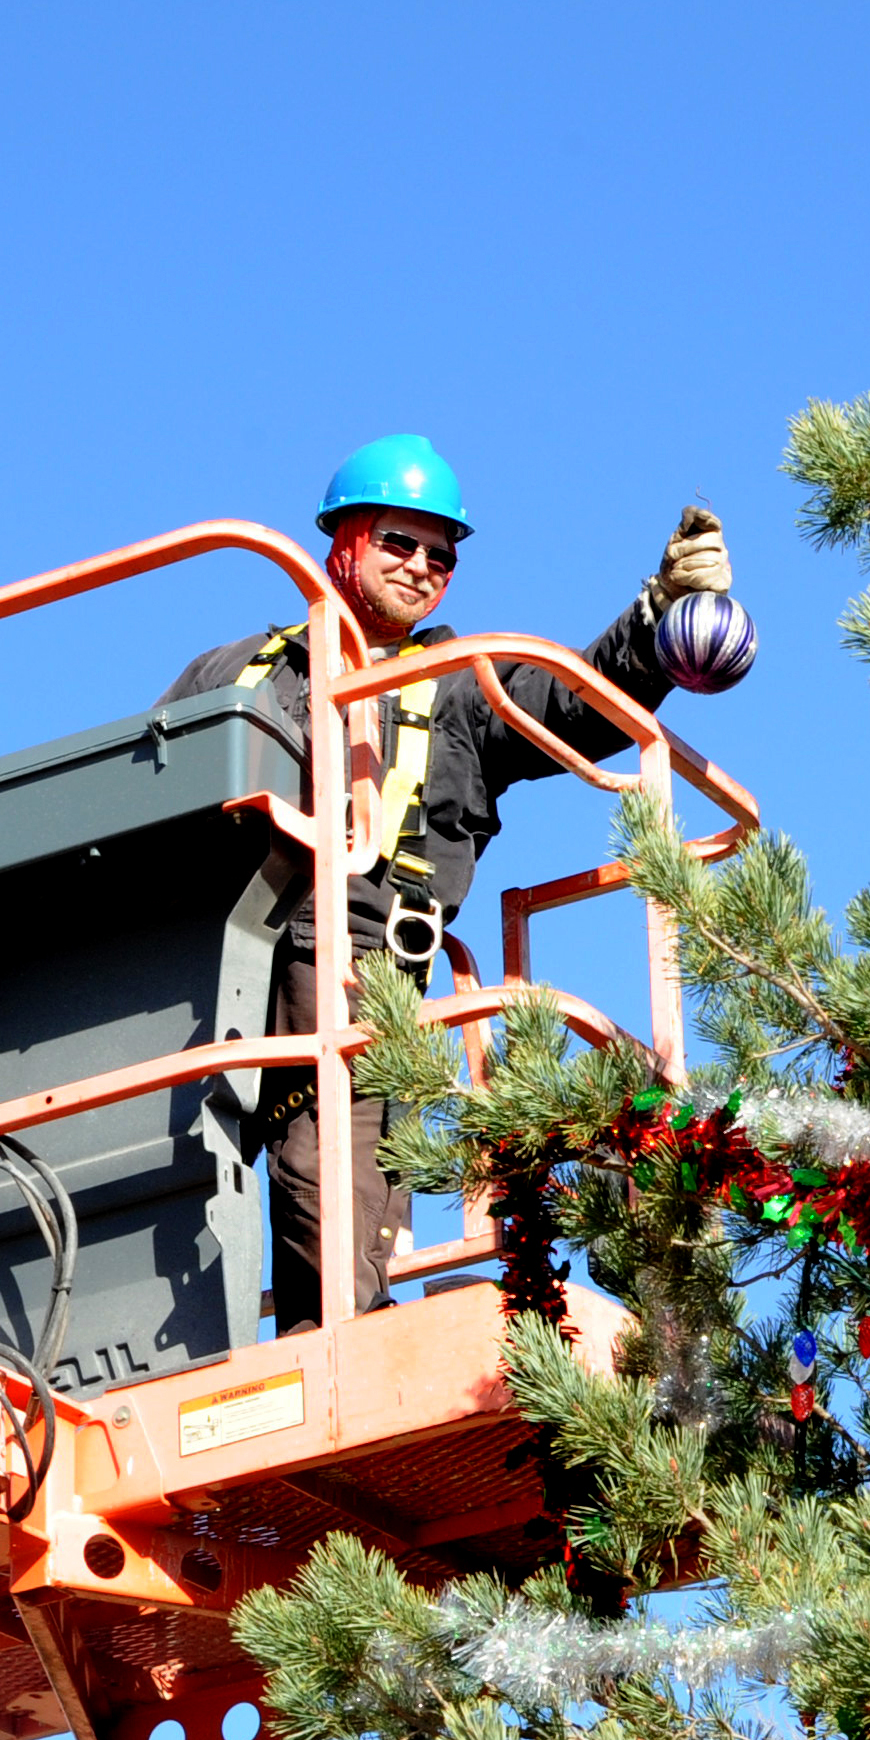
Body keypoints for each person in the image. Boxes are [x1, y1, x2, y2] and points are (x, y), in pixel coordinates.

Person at [166, 434, 732, 1332]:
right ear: (341, 542)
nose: (424, 567)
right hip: (215, 952)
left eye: (442, 555)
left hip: (362, 958)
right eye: (400, 543)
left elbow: (574, 704)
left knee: (346, 1167)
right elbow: (144, 790)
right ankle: (271, 1346)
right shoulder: (238, 671)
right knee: (187, 1174)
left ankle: (336, 1341)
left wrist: (661, 618)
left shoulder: (462, 686)